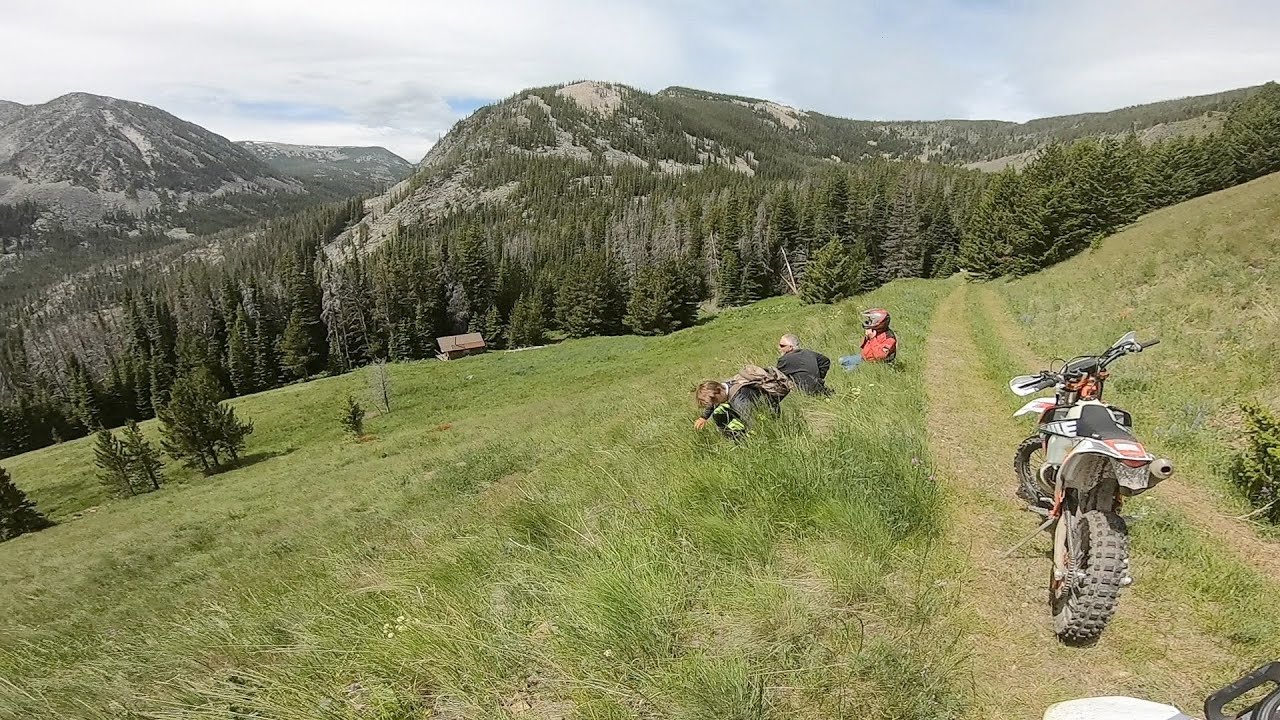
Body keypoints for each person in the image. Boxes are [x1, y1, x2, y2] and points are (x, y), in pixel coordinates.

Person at [693, 370, 786, 440]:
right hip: (763, 405)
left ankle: (739, 441)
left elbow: (753, 422)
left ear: (718, 391)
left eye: (714, 400)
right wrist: (704, 417)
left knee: (720, 415)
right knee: (718, 413)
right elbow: (713, 401)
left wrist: (754, 439)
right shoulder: (728, 384)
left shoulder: (739, 401)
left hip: (770, 413)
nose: (715, 404)